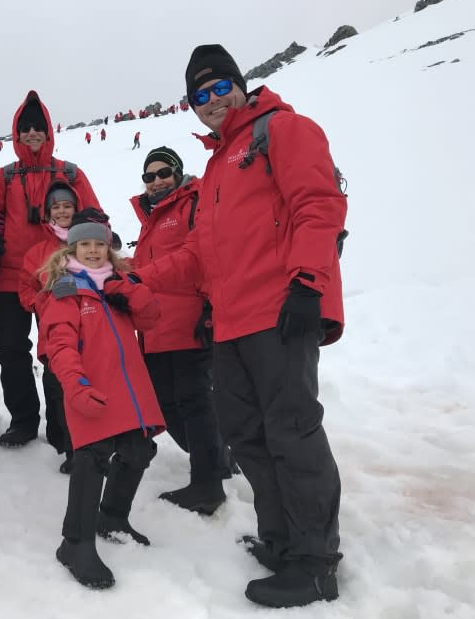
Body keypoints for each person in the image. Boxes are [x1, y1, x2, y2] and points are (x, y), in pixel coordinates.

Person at [133, 44, 347, 607]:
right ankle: (280, 540)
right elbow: (198, 257)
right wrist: (135, 277)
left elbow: (319, 205)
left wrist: (307, 283)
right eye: (198, 95)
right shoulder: (217, 166)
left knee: (292, 433)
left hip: (280, 311)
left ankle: (315, 560)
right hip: (229, 325)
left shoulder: (283, 130)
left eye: (219, 87)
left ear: (239, 84)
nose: (210, 101)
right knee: (249, 438)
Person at [38, 210, 165, 589]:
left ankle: (112, 517)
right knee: (91, 459)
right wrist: (74, 385)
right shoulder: (65, 289)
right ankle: (74, 542)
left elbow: (152, 318)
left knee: (139, 451)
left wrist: (130, 290)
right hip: (90, 388)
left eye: (99, 244)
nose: (93, 251)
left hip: (129, 390)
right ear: (72, 248)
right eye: (85, 244)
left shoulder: (117, 285)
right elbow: (58, 343)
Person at [0, 90, 102, 448]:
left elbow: (93, 214)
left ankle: (64, 427)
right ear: (16, 134)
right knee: (11, 349)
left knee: (59, 349)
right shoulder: (3, 178)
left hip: (61, 277)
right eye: (25, 128)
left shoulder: (69, 173)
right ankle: (23, 420)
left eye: (38, 127)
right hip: (10, 278)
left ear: (48, 131)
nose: (32, 134)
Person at [129, 146, 231, 515]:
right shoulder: (152, 217)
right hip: (155, 325)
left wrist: (137, 275)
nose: (156, 181)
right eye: (149, 176)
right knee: (166, 404)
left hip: (189, 319)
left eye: (163, 173)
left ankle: (207, 484)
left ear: (178, 172)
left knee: (194, 401)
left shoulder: (193, 203)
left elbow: (193, 258)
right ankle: (217, 458)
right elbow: (147, 264)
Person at [19, 187, 90, 474]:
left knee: (85, 387)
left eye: (67, 206)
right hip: (55, 334)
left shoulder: (89, 242)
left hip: (91, 331)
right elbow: (26, 289)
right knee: (57, 388)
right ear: (47, 213)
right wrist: (45, 301)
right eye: (55, 207)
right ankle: (65, 443)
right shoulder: (37, 252)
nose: (62, 212)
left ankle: (86, 446)